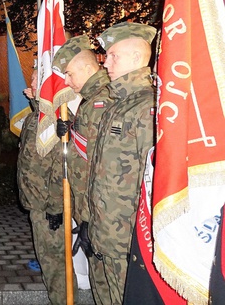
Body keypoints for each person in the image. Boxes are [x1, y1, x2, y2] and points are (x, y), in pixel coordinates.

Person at [85, 22, 156, 305]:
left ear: (137, 59)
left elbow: (153, 179)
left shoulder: (147, 106)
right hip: (109, 231)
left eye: (114, 56)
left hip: (130, 236)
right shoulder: (119, 103)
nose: (106, 63)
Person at [51, 34, 112, 296]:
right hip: (92, 207)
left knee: (107, 285)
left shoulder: (102, 100)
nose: (66, 81)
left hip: (100, 210)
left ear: (87, 69)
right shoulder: (90, 101)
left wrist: (88, 217)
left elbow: (99, 165)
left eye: (69, 74)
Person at [17, 71, 74, 305]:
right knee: (48, 262)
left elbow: (61, 165)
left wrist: (55, 206)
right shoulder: (38, 115)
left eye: (35, 80)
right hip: (36, 201)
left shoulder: (57, 117)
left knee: (55, 265)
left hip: (47, 205)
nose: (29, 84)